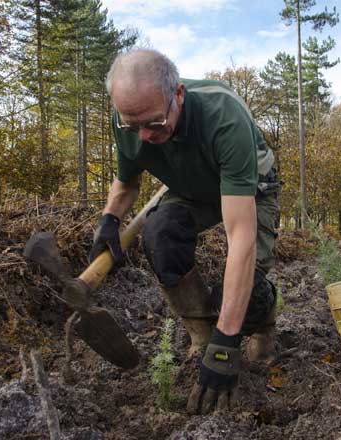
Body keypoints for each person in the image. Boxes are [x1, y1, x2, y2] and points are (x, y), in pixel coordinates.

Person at [89, 48, 280, 415]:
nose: (143, 135)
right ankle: (201, 337)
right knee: (160, 233)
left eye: (154, 124)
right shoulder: (128, 118)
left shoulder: (224, 116)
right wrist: (110, 218)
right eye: (133, 125)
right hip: (192, 188)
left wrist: (228, 343)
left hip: (250, 188)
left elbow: (240, 238)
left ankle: (262, 323)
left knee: (240, 286)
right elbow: (126, 181)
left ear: (178, 95)